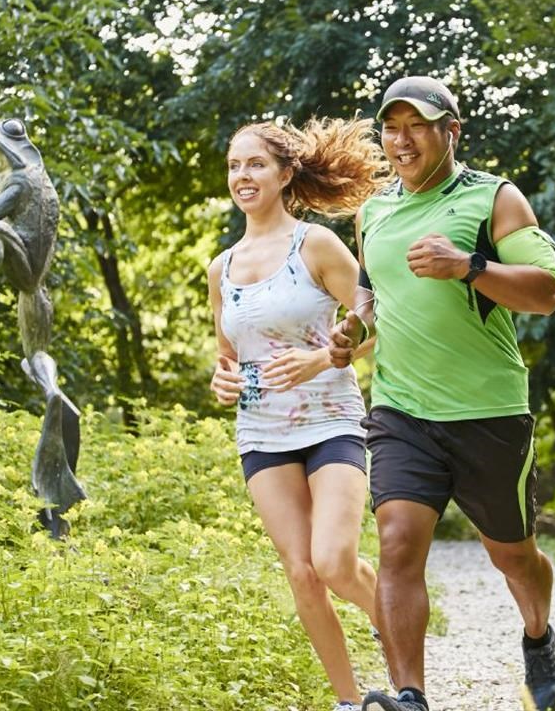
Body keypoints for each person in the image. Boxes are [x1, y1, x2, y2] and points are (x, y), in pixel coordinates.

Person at [328, 76, 555, 711]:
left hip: (488, 411)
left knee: (513, 558)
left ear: (450, 132)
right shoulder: (372, 211)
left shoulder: (495, 199)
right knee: (399, 540)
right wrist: (353, 328)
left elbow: (544, 293)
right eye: (391, 127)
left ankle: (538, 635)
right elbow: (370, 294)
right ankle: (411, 697)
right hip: (401, 409)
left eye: (417, 126)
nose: (401, 140)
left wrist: (470, 265)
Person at [208, 117, 389, 711]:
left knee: (333, 560)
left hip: (331, 418)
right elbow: (228, 355)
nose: (242, 176)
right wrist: (222, 379)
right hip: (261, 430)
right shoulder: (222, 268)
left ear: (286, 175)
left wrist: (323, 357)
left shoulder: (314, 244)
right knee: (302, 573)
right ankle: (348, 702)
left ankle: (399, 631)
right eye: (235, 165)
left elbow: (373, 318)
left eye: (255, 164)